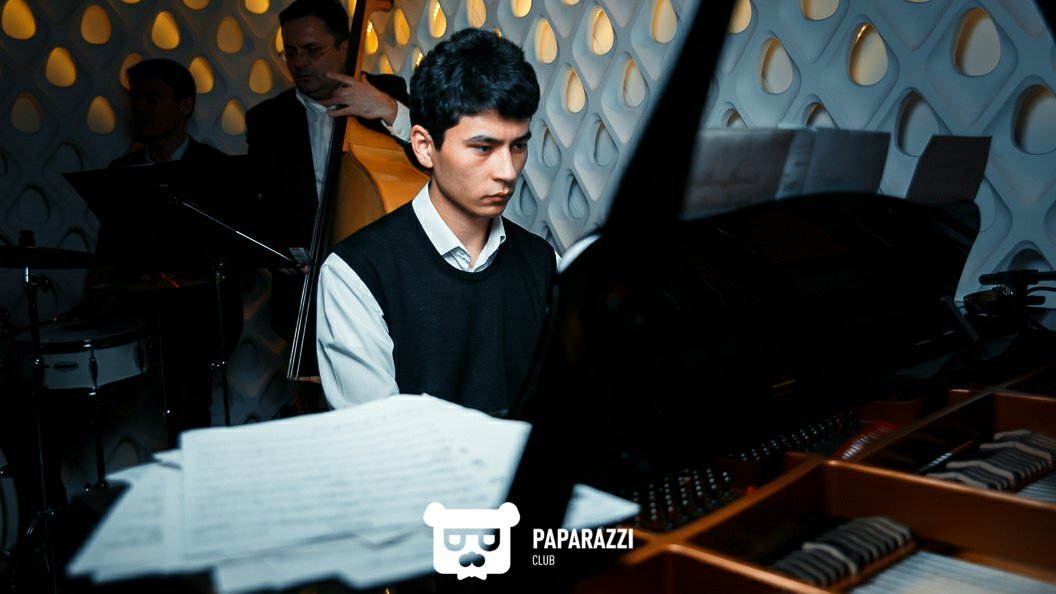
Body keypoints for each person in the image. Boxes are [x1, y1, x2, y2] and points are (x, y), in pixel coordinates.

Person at [316, 28, 555, 414]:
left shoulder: (544, 262)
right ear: (425, 147)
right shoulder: (355, 273)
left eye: (518, 145)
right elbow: (376, 432)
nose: (508, 171)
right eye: (483, 147)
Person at [245, 0, 413, 251]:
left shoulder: (387, 92)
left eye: (312, 51)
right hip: (308, 266)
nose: (299, 63)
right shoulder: (267, 119)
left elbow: (434, 154)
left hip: (380, 251)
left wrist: (389, 109)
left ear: (344, 49)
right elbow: (260, 204)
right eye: (290, 52)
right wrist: (278, 252)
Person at [110, 58, 226, 166]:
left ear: (185, 106)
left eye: (153, 98)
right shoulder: (121, 167)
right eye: (136, 98)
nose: (140, 107)